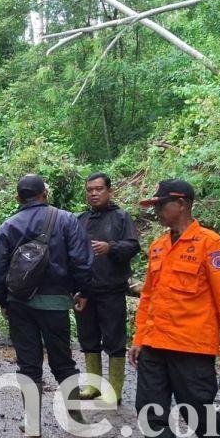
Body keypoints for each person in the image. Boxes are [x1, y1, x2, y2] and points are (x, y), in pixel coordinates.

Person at [124, 179, 220, 438]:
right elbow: (149, 297)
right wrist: (139, 338)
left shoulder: (211, 244)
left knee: (196, 412)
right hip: (154, 345)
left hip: (192, 348)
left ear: (181, 203)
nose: (157, 214)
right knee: (150, 410)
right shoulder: (158, 247)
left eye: (161, 206)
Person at [0, 174, 93, 431]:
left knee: (28, 364)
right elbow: (82, 261)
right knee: (63, 362)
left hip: (19, 304)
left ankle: (32, 423)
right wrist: (83, 292)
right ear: (45, 194)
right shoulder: (67, 220)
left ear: (18, 197)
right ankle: (76, 418)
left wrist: (3, 300)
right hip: (55, 304)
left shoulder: (9, 226)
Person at [75, 173, 140, 404]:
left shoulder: (121, 217)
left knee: (114, 340)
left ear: (109, 191)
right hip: (85, 291)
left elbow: (133, 246)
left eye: (99, 189)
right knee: (88, 338)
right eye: (90, 189)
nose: (94, 193)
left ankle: (114, 390)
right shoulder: (80, 219)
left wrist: (110, 247)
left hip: (112, 288)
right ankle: (93, 386)